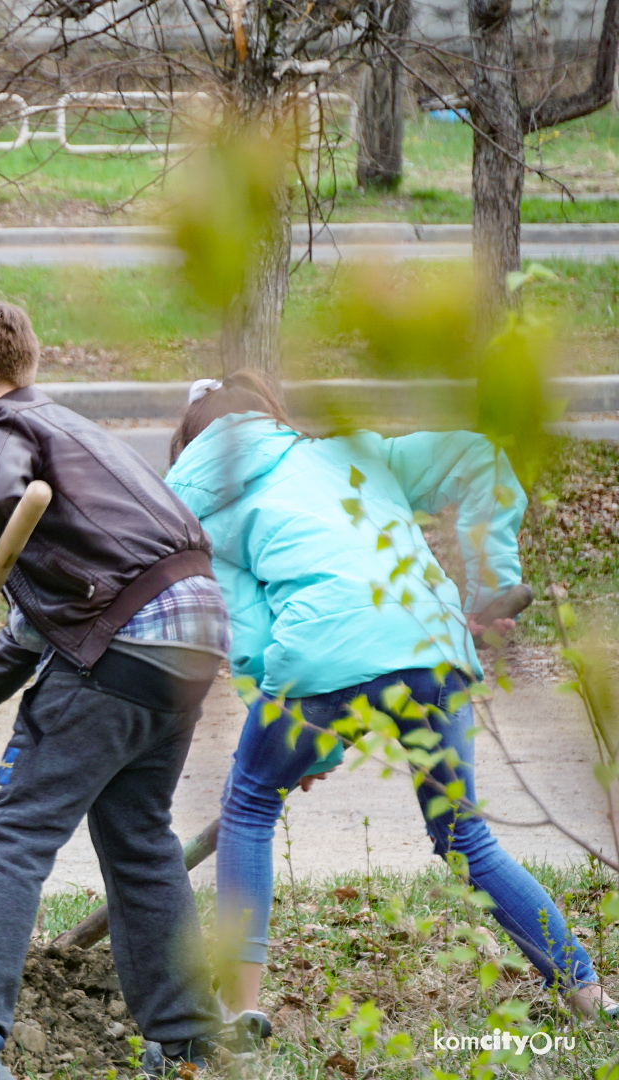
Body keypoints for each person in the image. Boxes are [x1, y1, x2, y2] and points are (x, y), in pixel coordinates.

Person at [162, 371, 619, 1029]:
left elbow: (252, 635)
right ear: (273, 418)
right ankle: (586, 992)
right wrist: (490, 585)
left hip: (320, 660)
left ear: (195, 453)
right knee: (464, 835)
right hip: (435, 645)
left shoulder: (211, 513)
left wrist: (297, 738)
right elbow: (479, 459)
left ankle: (244, 1009)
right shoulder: (354, 454)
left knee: (251, 803)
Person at [0, 300, 235, 1080]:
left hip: (127, 635)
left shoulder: (0, 428)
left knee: (14, 835)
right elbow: (38, 629)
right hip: (192, 630)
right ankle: (189, 1042)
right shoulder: (78, 434)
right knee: (140, 836)